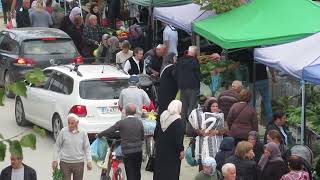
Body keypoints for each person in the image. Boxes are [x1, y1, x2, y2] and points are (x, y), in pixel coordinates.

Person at [97, 103, 144, 180]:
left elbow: (110, 130)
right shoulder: (139, 122)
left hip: (127, 151)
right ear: (135, 112)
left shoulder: (122, 123)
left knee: (130, 172)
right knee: (137, 171)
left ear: (125, 112)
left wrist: (100, 135)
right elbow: (142, 137)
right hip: (138, 151)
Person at [189, 98, 226, 171]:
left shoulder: (220, 115)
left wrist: (217, 131)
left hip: (216, 145)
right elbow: (194, 129)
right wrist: (200, 132)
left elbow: (226, 128)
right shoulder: (201, 116)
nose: (215, 108)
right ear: (209, 106)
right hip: (203, 144)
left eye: (216, 106)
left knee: (215, 163)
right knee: (203, 163)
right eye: (213, 106)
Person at [52, 113, 92, 180]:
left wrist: (89, 161)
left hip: (79, 163)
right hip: (65, 163)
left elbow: (87, 148)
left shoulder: (83, 132)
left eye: (72, 123)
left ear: (77, 123)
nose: (70, 125)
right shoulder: (63, 131)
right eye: (68, 123)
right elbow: (57, 146)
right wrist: (55, 160)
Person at [153, 100, 185, 180]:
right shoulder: (178, 121)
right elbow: (179, 138)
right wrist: (181, 150)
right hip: (172, 151)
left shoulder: (162, 116)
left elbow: (156, 133)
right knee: (171, 171)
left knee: (160, 169)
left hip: (160, 148)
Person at [176, 46, 201, 129]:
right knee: (192, 109)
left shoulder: (180, 60)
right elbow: (198, 75)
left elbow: (176, 73)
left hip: (182, 87)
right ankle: (190, 129)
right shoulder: (195, 61)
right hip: (193, 87)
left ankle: (182, 129)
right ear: (194, 53)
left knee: (183, 109)